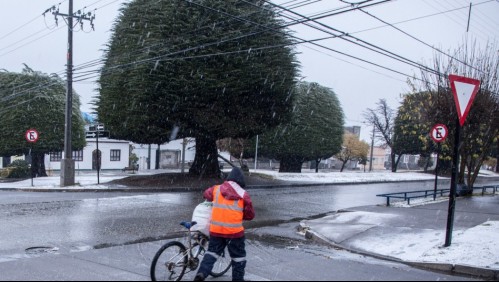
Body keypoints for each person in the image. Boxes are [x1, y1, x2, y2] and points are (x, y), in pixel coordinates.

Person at [194, 167, 255, 281]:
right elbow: (250, 215)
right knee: (238, 259)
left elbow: (206, 194)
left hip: (216, 231)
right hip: (234, 234)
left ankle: (202, 273)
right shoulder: (243, 194)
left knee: (211, 253)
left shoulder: (216, 189)